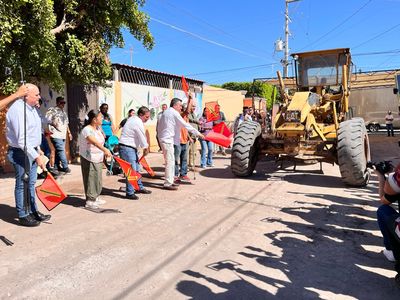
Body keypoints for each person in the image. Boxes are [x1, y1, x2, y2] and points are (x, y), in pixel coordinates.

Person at [6, 83, 51, 226]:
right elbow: (21, 140)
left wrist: (38, 150)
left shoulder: (31, 109)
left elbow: (33, 133)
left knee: (30, 183)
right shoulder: (18, 110)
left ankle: (32, 211)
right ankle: (23, 214)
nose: (39, 97)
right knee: (22, 184)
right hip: (21, 152)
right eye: (36, 94)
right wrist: (37, 157)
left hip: (32, 150)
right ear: (26, 95)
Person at [157, 98, 204, 190]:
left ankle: (170, 181)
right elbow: (185, 125)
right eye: (180, 105)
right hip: (167, 140)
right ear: (175, 105)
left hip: (165, 139)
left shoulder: (166, 112)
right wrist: (199, 134)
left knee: (170, 161)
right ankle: (168, 183)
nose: (181, 107)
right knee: (170, 162)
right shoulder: (173, 113)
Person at [79, 109, 112, 209]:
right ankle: (90, 200)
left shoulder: (98, 128)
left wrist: (105, 152)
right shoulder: (87, 130)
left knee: (97, 178)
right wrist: (105, 150)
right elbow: (94, 142)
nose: (102, 118)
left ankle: (96, 197)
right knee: (90, 178)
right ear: (94, 119)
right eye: (100, 117)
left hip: (98, 157)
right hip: (89, 158)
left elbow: (101, 141)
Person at [119, 106, 152, 200]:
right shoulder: (137, 122)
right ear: (141, 115)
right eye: (146, 117)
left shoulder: (134, 119)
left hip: (130, 148)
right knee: (131, 171)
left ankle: (138, 187)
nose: (147, 119)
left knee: (136, 168)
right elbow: (141, 136)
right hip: (127, 148)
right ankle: (129, 192)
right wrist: (146, 148)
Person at [375, 163, 400, 284]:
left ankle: (392, 251)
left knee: (383, 211)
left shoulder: (398, 178)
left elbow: (384, 200)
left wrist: (382, 177)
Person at [45, 96, 72, 173]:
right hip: (55, 134)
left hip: (62, 134)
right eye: (61, 103)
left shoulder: (64, 112)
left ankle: (57, 166)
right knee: (61, 150)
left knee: (58, 151)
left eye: (64, 103)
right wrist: (53, 124)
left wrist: (69, 133)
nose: (62, 104)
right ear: (57, 103)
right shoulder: (52, 110)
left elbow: (66, 124)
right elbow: (47, 120)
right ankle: (65, 166)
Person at [174, 104, 191, 184]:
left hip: (185, 140)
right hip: (178, 141)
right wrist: (190, 99)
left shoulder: (186, 117)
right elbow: (187, 110)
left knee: (184, 159)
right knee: (176, 159)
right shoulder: (180, 115)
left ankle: (183, 174)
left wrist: (189, 137)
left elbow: (185, 129)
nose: (189, 111)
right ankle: (175, 175)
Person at [187, 96, 200, 170]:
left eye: (194, 107)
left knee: (193, 151)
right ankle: (186, 165)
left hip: (195, 136)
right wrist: (198, 122)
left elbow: (196, 123)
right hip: (189, 135)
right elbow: (190, 120)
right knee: (187, 151)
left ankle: (191, 164)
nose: (194, 108)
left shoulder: (194, 114)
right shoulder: (188, 114)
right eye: (192, 106)